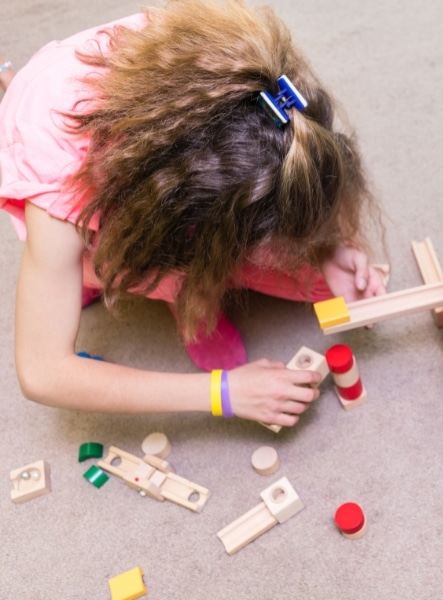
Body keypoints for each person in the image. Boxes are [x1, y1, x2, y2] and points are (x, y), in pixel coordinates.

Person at [0, 0, 387, 427]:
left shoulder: (248, 75)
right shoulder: (58, 188)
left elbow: (285, 165)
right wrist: (223, 393)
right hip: (73, 176)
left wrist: (325, 249)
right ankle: (94, 277)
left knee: (301, 277)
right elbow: (42, 371)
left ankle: (86, 276)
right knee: (94, 264)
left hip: (124, 149)